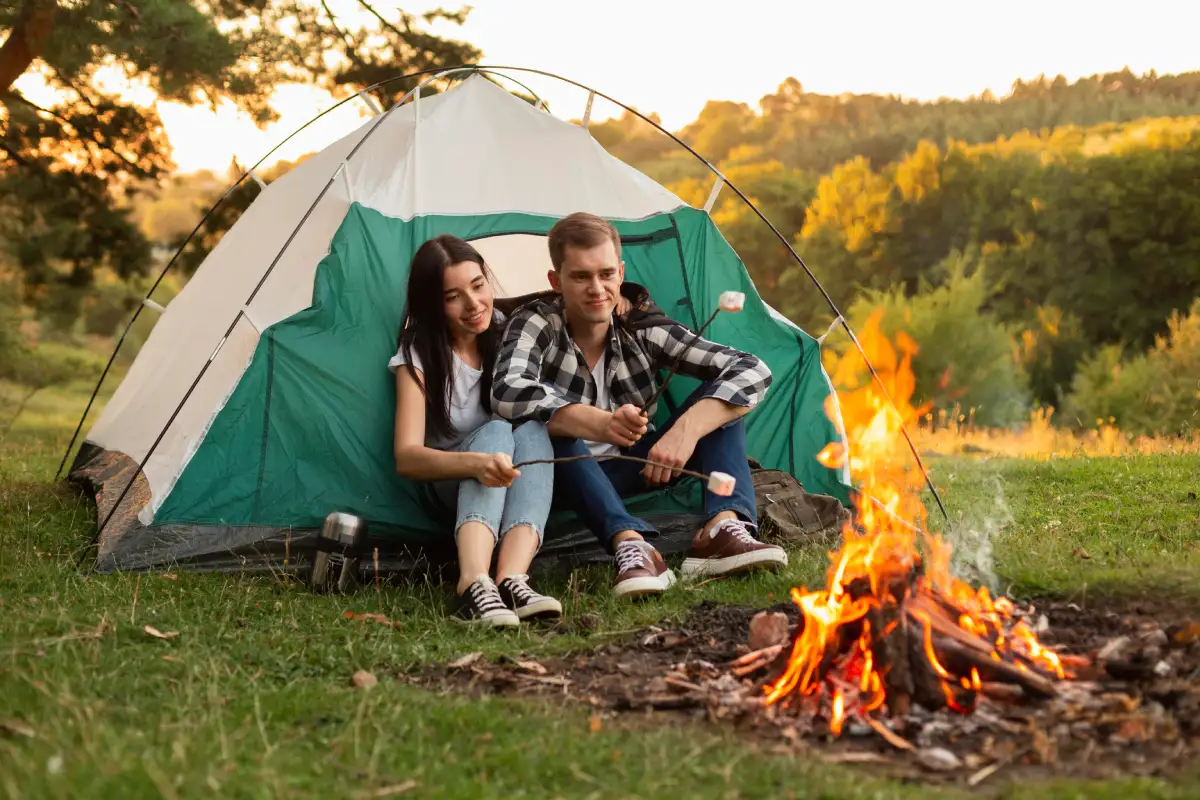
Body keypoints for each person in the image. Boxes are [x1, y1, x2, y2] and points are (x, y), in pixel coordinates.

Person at [491, 212, 787, 600]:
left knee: (722, 405)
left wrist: (685, 432)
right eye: (580, 277)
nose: (597, 288)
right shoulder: (535, 322)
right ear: (555, 281)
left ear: (620, 272)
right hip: (561, 479)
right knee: (551, 429)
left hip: (634, 466)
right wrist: (596, 423)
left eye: (606, 274)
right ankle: (632, 546)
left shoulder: (641, 326)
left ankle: (722, 528)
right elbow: (507, 390)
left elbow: (752, 370)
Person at [391, 234, 561, 627]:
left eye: (478, 286)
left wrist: (628, 297)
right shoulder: (417, 355)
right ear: (433, 305)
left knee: (533, 428)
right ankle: (472, 585)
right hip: (449, 482)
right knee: (498, 432)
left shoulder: (504, 331)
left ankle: (512, 579)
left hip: (501, 477)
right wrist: (475, 463)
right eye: (453, 297)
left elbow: (560, 306)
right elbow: (407, 457)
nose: (473, 305)